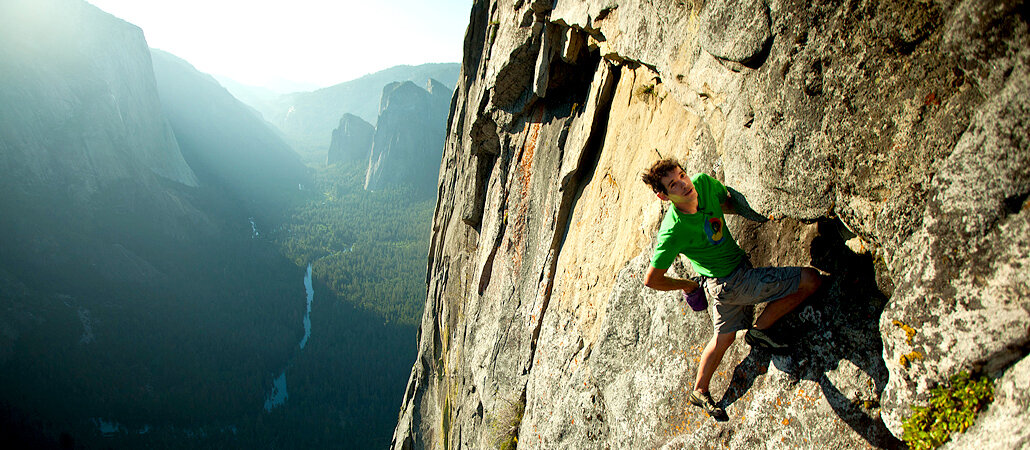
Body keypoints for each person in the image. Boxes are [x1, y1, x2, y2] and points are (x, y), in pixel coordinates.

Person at [640, 158, 821, 417]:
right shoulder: (673, 231)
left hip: (724, 284)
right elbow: (652, 279)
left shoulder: (703, 184)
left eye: (682, 175)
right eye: (673, 184)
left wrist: (759, 211)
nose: (683, 184)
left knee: (723, 339)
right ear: (663, 196)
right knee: (811, 280)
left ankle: (699, 390)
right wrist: (690, 285)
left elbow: (726, 202)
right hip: (732, 283)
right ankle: (761, 329)